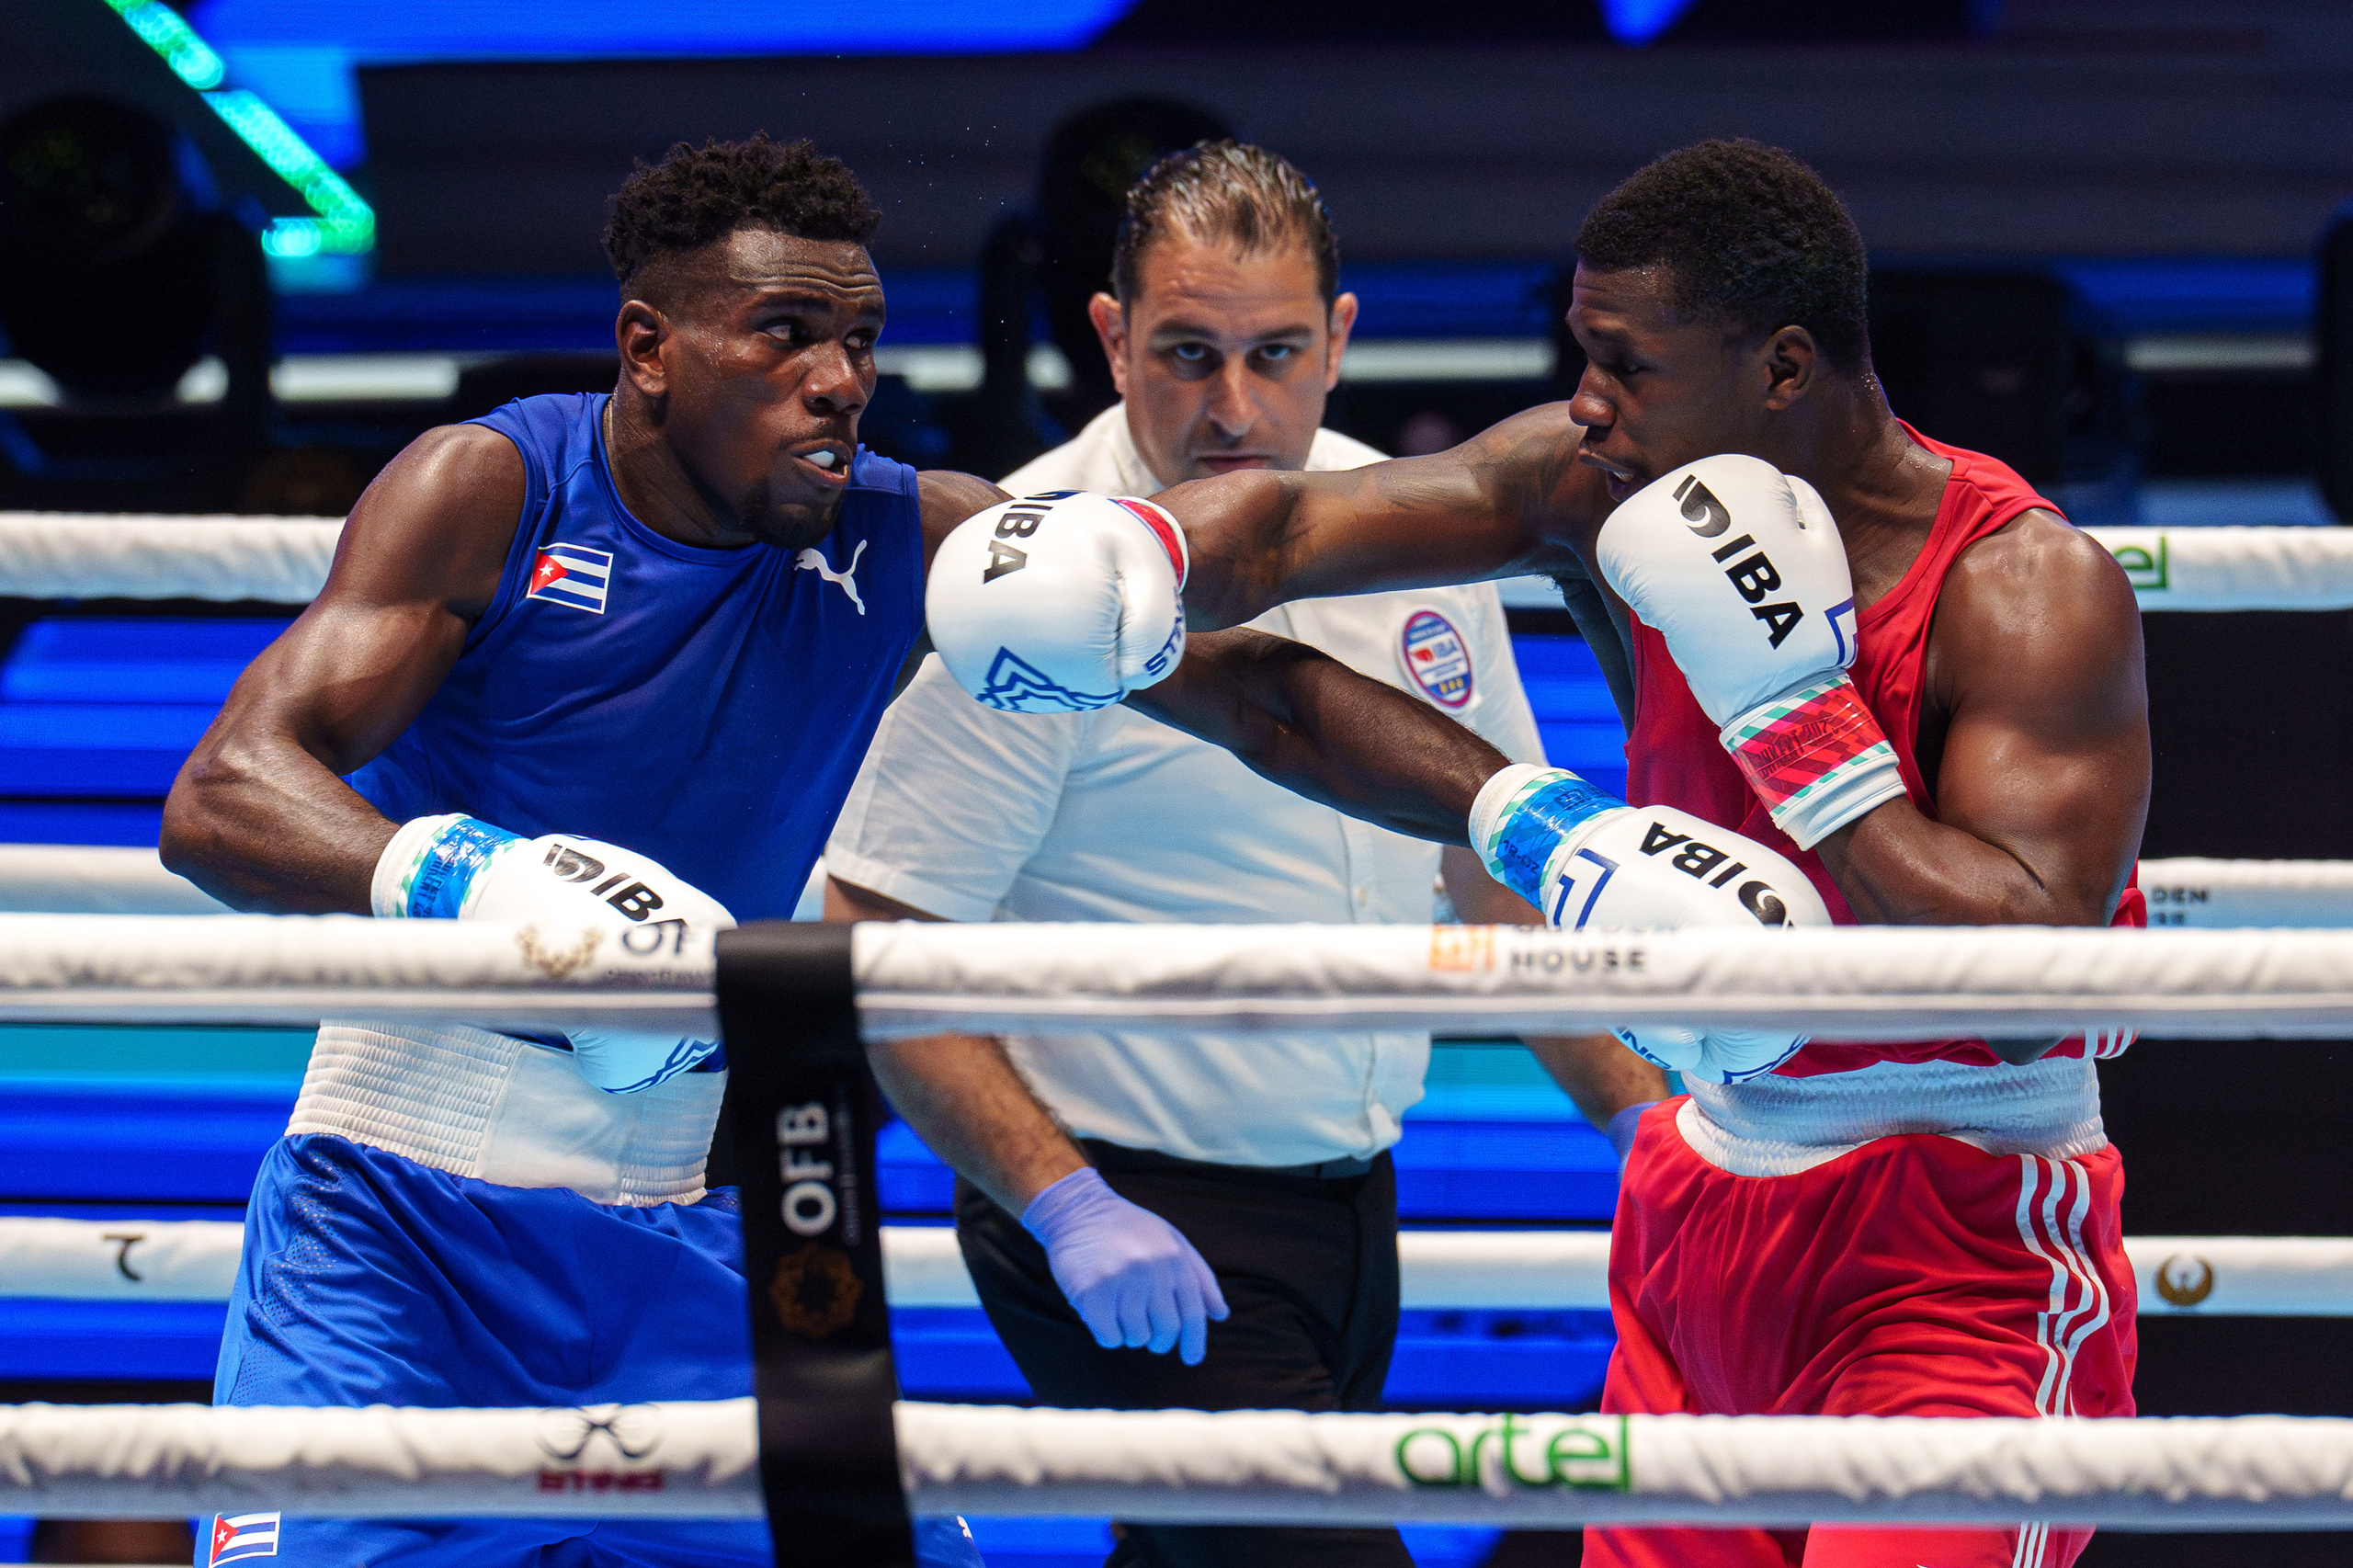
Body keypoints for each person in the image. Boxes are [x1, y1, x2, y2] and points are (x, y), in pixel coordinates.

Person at [159, 134, 1633, 1568]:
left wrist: (1536, 820)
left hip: (714, 1223)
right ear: (649, 347)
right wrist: (484, 878)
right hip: (404, 1224)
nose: (838, 382)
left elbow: (1262, 691)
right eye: (785, 334)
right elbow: (226, 791)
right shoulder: (496, 486)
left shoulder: (914, 540)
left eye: (859, 339)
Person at [931, 140, 2149, 1568]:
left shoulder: (2023, 586)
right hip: (1706, 1203)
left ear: (1783, 368)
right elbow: (1289, 524)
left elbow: (2021, 975)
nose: (1588, 400)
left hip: (1956, 1236)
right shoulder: (1593, 486)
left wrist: (1794, 714)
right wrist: (1128, 555)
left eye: (1629, 365)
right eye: (1584, 352)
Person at [825, 142, 1666, 1568]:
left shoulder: (1421, 534)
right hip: (1124, 1210)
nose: (1232, 406)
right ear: (1110, 341)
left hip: (1353, 1200)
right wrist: (1065, 1202)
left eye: (1274, 352)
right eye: (1187, 354)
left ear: (1338, 341)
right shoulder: (1029, 593)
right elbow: (873, 924)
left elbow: (1490, 892)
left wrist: (1648, 1127)